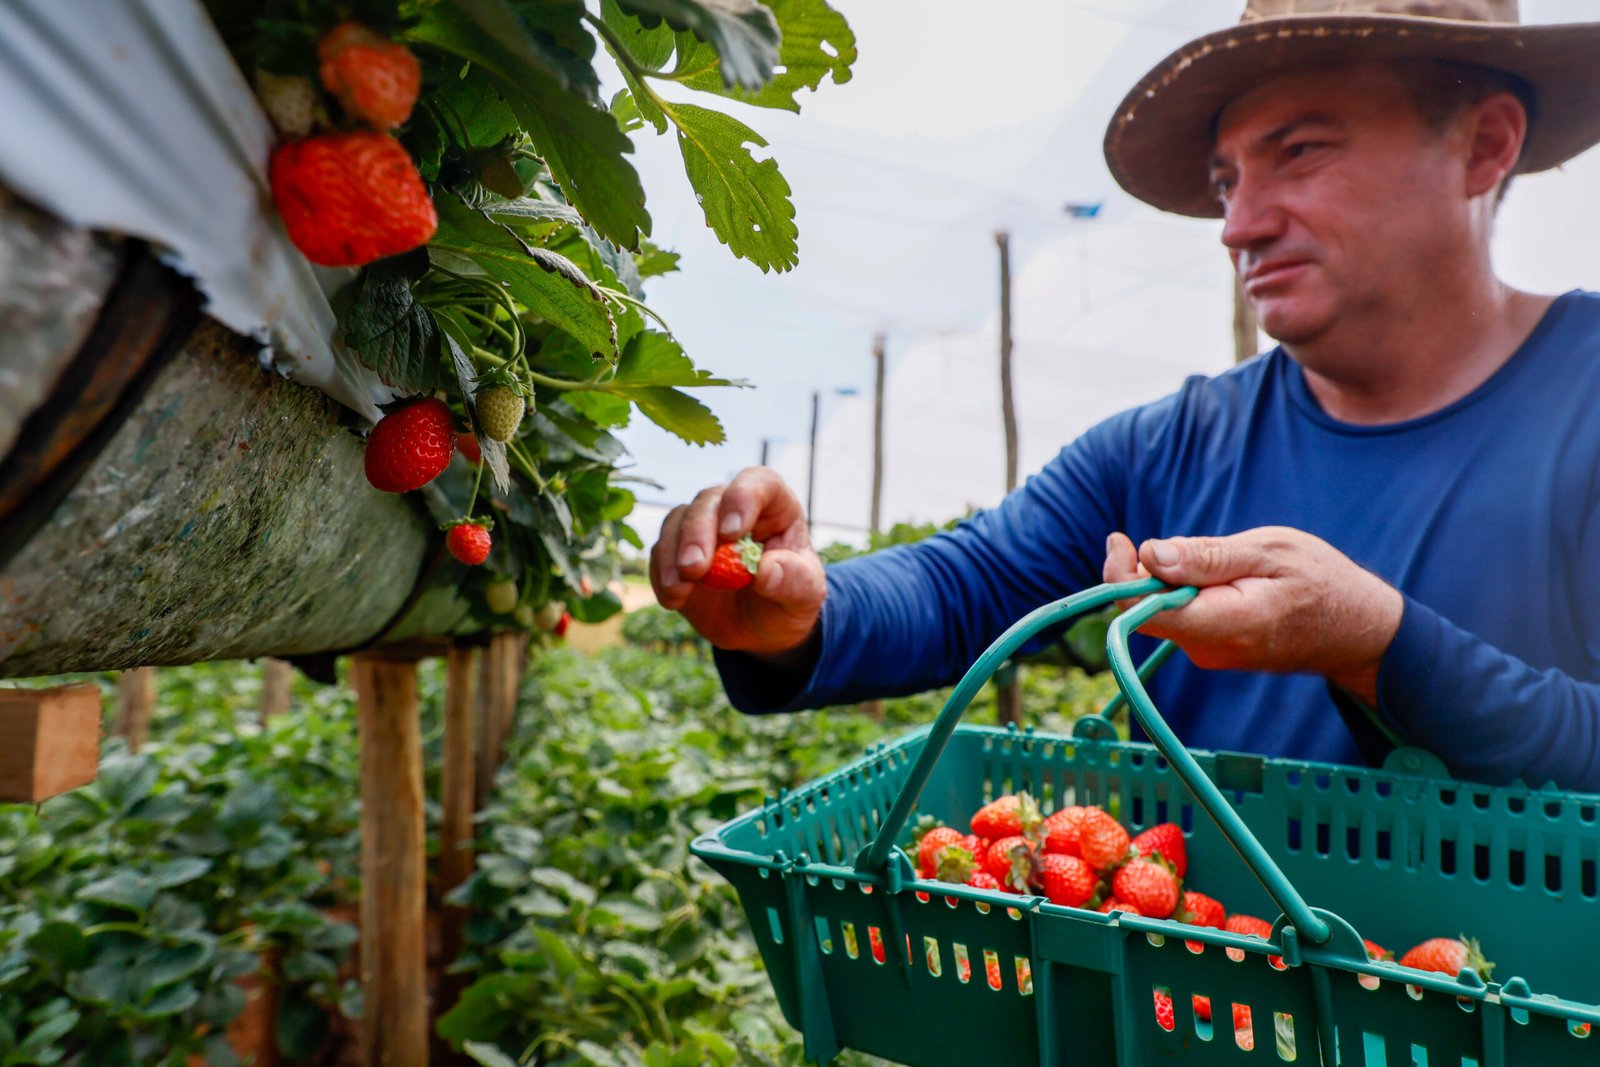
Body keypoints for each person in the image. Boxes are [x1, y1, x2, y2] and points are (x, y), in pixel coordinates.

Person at [650, 0, 1600, 792]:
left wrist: (1379, 647)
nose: (1240, 224)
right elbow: (965, 584)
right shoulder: (1169, 448)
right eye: (1227, 180)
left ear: (1485, 146)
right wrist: (804, 616)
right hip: (1189, 995)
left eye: (1302, 150)